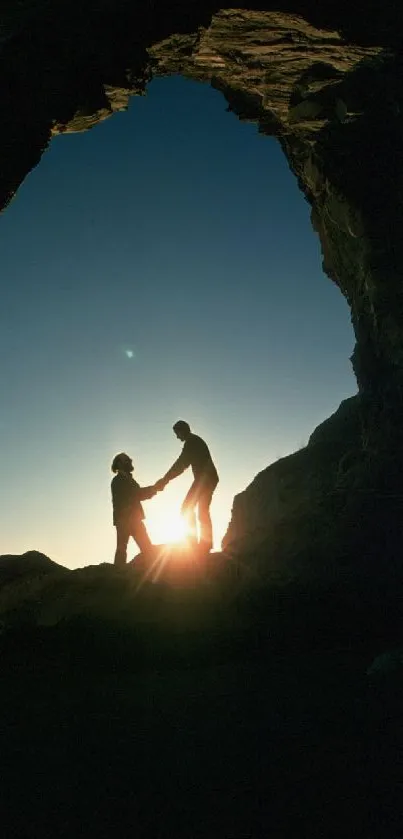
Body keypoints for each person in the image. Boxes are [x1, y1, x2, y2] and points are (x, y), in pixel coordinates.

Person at [155, 421, 219, 554]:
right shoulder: (195, 440)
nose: (177, 437)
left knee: (186, 508)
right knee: (202, 511)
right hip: (207, 478)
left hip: (204, 479)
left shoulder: (192, 442)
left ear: (183, 430)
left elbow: (181, 464)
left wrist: (165, 480)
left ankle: (194, 543)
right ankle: (205, 544)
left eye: (177, 434)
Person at [111, 452, 157, 567]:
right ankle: (117, 577)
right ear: (119, 464)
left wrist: (153, 490)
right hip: (125, 520)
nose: (129, 461)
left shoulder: (129, 479)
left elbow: (138, 494)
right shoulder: (117, 481)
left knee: (146, 548)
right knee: (122, 550)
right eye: (126, 460)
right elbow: (136, 494)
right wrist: (153, 489)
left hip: (134, 519)